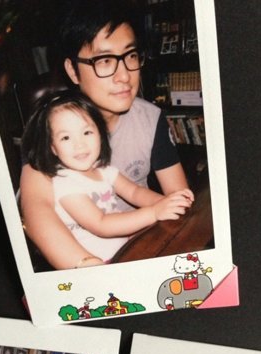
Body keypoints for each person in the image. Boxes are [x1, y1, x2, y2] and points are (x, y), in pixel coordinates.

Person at [20, 0, 191, 269]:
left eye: (130, 56)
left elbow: (176, 196)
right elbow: (36, 212)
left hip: (146, 242)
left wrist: (170, 211)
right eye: (104, 60)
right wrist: (87, 267)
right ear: (73, 70)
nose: (124, 76)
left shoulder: (150, 118)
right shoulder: (51, 128)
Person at [21, 90, 194, 266]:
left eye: (87, 132)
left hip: (124, 250)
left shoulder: (104, 170)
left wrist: (166, 202)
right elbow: (101, 224)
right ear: (53, 148)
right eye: (65, 137)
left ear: (100, 134)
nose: (79, 144)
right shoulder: (65, 183)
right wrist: (154, 212)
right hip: (102, 263)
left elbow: (135, 192)